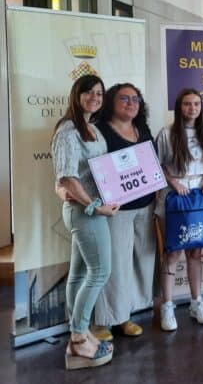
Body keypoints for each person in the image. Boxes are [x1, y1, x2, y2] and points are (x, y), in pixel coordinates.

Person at [51, 74, 117, 369]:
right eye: (89, 92)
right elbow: (66, 177)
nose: (95, 97)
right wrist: (95, 206)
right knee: (100, 271)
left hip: (89, 209)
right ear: (76, 95)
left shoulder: (91, 128)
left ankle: (78, 330)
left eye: (99, 93)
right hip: (86, 212)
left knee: (79, 274)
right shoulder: (68, 130)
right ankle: (79, 337)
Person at [92, 84, 156, 340]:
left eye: (135, 99)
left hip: (145, 204)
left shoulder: (142, 129)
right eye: (124, 98)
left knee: (143, 260)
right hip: (116, 209)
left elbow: (152, 161)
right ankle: (108, 320)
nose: (131, 103)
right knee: (116, 264)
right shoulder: (99, 131)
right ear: (111, 101)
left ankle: (128, 314)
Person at [155, 89, 203, 331]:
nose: (192, 108)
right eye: (188, 104)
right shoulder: (166, 133)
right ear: (180, 107)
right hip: (174, 198)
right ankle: (167, 306)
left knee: (195, 252)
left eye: (197, 104)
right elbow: (157, 166)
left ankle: (196, 302)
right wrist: (173, 182)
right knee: (172, 254)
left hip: (199, 197)